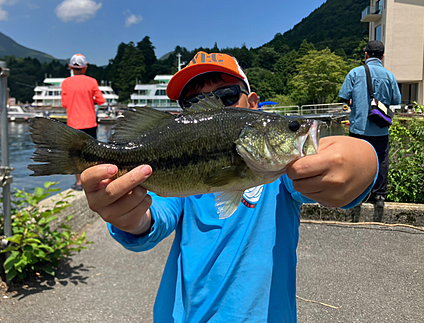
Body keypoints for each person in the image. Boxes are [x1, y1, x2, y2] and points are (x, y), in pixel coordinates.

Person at [81, 51, 378, 322]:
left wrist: (362, 162)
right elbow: (154, 217)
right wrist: (129, 217)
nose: (214, 109)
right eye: (193, 103)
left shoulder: (281, 175)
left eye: (227, 95)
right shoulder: (182, 187)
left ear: (253, 105)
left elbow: (348, 166)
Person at [339, 41, 401, 208]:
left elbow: (344, 95)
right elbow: (396, 100)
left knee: (356, 161)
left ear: (366, 54)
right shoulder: (389, 75)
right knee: (381, 160)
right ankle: (379, 196)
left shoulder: (354, 73)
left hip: (358, 127)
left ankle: (357, 194)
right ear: (382, 56)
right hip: (380, 127)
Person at [61, 53, 105, 191]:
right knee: (91, 154)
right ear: (85, 67)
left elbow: (64, 103)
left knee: (76, 155)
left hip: (73, 123)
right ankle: (93, 181)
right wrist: (90, 100)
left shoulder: (66, 83)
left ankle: (79, 183)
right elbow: (101, 100)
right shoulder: (92, 81)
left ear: (70, 67)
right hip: (90, 122)